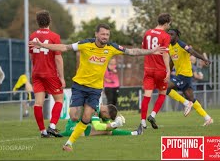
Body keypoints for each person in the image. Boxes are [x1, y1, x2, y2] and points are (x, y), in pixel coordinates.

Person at [29, 23, 166, 151]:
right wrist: (44, 45)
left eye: (107, 34)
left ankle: (69, 143)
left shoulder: (111, 48)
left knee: (87, 117)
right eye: (103, 34)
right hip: (80, 86)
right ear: (96, 34)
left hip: (95, 89)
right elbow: (65, 47)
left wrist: (151, 51)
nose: (105, 37)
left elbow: (132, 52)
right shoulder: (85, 44)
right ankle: (73, 130)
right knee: (74, 115)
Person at [29, 10, 65, 138]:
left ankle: (43, 131)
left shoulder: (32, 36)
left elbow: (32, 56)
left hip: (36, 73)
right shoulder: (54, 36)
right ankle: (52, 127)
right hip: (49, 73)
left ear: (38, 21)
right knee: (60, 99)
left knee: (38, 102)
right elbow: (58, 58)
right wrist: (62, 77)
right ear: (49, 20)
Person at [166, 28, 213, 126]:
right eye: (168, 34)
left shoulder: (182, 44)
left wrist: (204, 59)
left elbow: (192, 52)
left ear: (177, 36)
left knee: (165, 87)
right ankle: (208, 118)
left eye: (172, 34)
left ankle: (186, 103)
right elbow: (171, 61)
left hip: (185, 74)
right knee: (191, 98)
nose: (169, 36)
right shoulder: (170, 47)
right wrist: (168, 72)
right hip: (182, 76)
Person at [140, 13, 171, 129]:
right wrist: (168, 70)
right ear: (167, 23)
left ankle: (142, 121)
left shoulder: (147, 32)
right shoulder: (166, 36)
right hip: (160, 69)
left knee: (146, 96)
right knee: (162, 94)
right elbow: (165, 53)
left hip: (148, 69)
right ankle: (152, 115)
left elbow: (143, 49)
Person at [60, 104, 143, 137]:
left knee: (107, 131)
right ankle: (57, 134)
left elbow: (108, 128)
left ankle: (134, 133)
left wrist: (116, 125)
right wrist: (114, 124)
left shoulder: (101, 112)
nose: (107, 119)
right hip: (72, 127)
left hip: (79, 126)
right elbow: (98, 126)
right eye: (108, 117)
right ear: (105, 112)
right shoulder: (95, 110)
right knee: (85, 130)